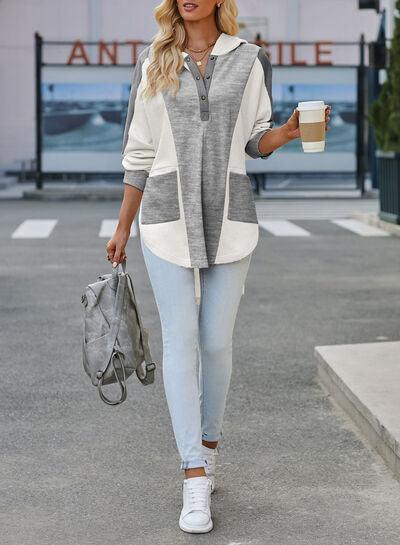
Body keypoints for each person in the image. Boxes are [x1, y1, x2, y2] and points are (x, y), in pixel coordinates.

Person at [106, 0, 331, 534]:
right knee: (180, 342)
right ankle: (192, 478)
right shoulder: (152, 60)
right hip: (164, 219)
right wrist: (121, 227)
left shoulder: (250, 58)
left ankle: (208, 449)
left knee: (214, 344)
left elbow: (256, 140)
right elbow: (138, 154)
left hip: (230, 217)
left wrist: (291, 132)